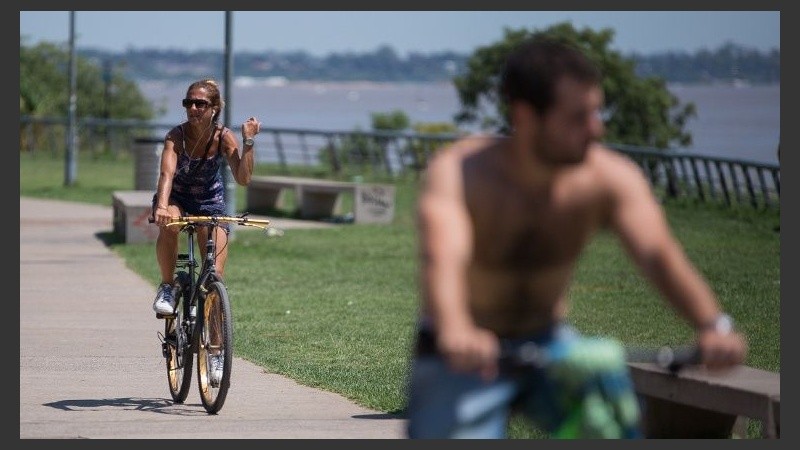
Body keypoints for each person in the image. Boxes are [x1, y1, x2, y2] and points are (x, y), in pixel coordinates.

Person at [405, 37, 748, 439]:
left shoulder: (608, 178)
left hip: (548, 340)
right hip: (459, 350)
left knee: (611, 424)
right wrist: (456, 328)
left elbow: (658, 254)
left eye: (595, 112)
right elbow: (443, 258)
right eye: (577, 117)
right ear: (526, 116)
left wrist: (713, 323)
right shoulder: (464, 174)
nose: (596, 128)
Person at [151, 78, 261, 321]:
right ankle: (168, 287)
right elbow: (166, 174)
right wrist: (161, 207)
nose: (192, 109)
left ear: (214, 109)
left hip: (210, 200)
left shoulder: (223, 137)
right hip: (176, 198)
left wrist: (249, 142)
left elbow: (243, 178)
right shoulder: (176, 136)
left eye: (200, 104)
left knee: (215, 273)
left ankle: (210, 324)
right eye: (188, 103)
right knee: (170, 224)